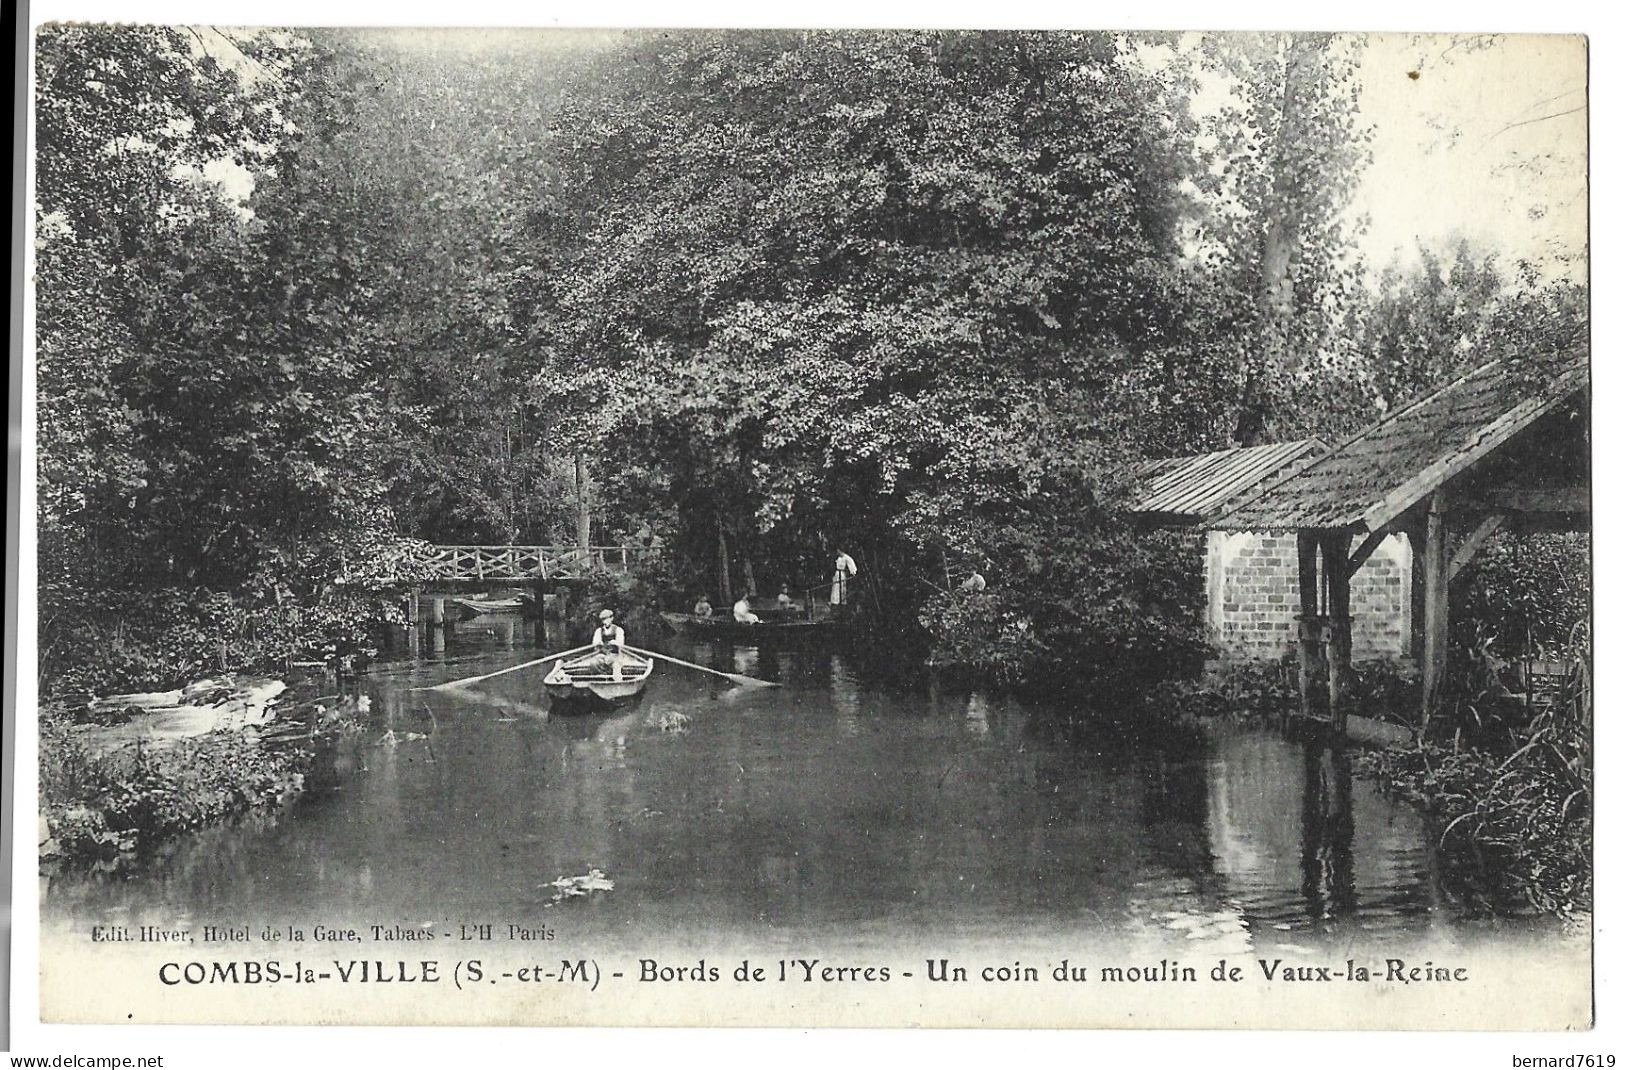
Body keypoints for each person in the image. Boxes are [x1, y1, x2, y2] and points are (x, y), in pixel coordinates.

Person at [589, 609, 630, 679]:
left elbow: (622, 645)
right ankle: (603, 678)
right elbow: (594, 645)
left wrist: (616, 643)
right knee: (593, 663)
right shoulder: (598, 631)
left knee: (616, 665)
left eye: (607, 619)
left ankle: (618, 683)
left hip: (616, 655)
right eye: (603, 620)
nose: (605, 622)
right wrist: (598, 643)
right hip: (603, 656)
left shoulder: (618, 630)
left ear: (611, 618)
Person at [829, 549, 858, 613]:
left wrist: (852, 574)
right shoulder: (838, 558)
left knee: (842, 591)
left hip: (842, 575)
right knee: (835, 591)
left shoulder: (847, 558)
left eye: (838, 551)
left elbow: (853, 569)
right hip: (836, 575)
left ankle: (842, 606)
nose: (837, 552)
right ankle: (834, 605)